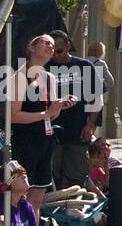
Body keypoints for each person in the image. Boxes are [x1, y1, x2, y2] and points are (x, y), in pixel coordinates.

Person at [8, 34, 76, 213]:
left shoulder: (49, 78)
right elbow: (13, 115)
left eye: (53, 46)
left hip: (45, 140)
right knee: (22, 192)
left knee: (38, 194)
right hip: (25, 141)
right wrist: (47, 113)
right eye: (46, 43)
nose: (50, 47)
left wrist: (61, 105)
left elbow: (51, 115)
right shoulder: (20, 76)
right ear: (32, 47)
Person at [47, 31, 102, 190]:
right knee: (52, 175)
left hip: (77, 130)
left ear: (68, 45)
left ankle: (73, 208)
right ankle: (54, 210)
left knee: (76, 176)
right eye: (52, 52)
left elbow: (96, 99)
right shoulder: (45, 67)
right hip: (52, 131)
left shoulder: (84, 66)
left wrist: (91, 125)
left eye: (59, 51)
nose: (55, 56)